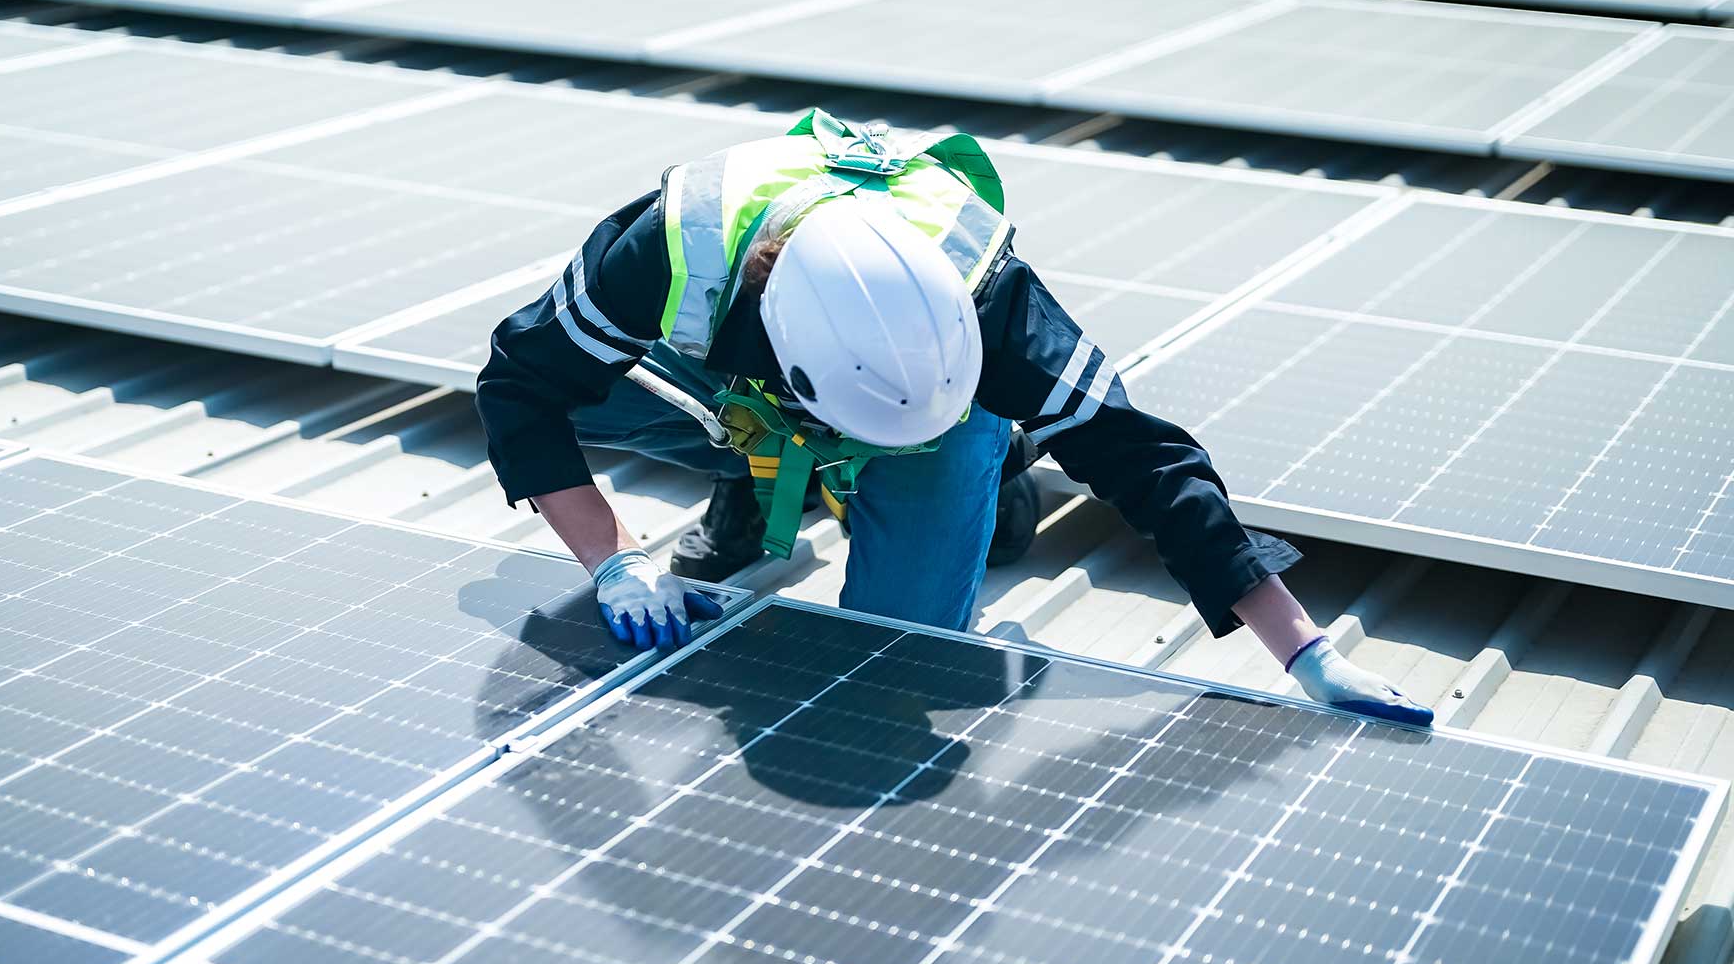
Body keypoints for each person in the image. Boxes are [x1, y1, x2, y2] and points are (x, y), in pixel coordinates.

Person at [475, 110, 1432, 728]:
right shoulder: (672, 247)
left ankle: (990, 460)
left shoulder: (990, 297)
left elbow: (1145, 459)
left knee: (895, 663)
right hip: (733, 384)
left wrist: (1307, 654)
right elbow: (518, 384)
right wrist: (615, 560)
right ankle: (755, 470)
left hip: (935, 422)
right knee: (582, 384)